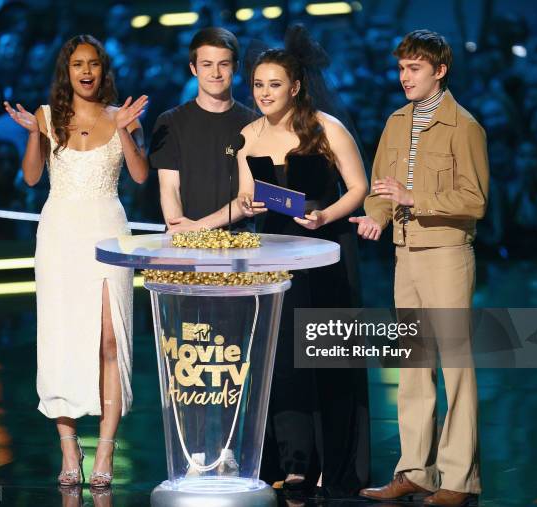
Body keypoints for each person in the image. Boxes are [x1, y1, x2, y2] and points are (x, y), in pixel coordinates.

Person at [3, 34, 148, 488]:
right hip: (59, 235)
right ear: (66, 72)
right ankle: (69, 447)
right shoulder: (46, 118)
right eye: (78, 64)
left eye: (94, 65)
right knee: (61, 341)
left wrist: (125, 128)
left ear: (104, 71)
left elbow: (141, 176)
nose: (86, 72)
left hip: (109, 234)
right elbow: (30, 178)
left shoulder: (120, 116)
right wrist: (33, 135)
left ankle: (105, 448)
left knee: (110, 340)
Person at [354, 30, 488, 506]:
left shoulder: (464, 125)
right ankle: (415, 470)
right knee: (413, 366)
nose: (404, 76)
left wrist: (416, 198)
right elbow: (380, 186)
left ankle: (458, 479)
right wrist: (375, 215)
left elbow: (475, 201)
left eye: (414, 68)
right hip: (405, 254)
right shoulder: (396, 122)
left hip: (447, 254)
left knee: (455, 367)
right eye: (401, 68)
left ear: (440, 70)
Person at [237, 25, 370, 497]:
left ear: (294, 87)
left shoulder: (326, 128)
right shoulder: (248, 136)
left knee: (323, 359)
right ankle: (292, 460)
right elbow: (246, 197)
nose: (265, 93)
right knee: (281, 363)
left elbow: (359, 187)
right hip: (273, 253)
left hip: (324, 252)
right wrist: (247, 205)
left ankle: (328, 461)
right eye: (257, 84)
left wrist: (325, 214)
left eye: (274, 84)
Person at [148, 27, 256, 232]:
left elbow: (249, 195)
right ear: (193, 68)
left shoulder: (255, 123)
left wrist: (197, 228)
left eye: (223, 64)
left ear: (236, 67)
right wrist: (179, 233)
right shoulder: (169, 122)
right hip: (184, 243)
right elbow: (169, 189)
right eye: (207, 65)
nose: (215, 73)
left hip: (240, 243)